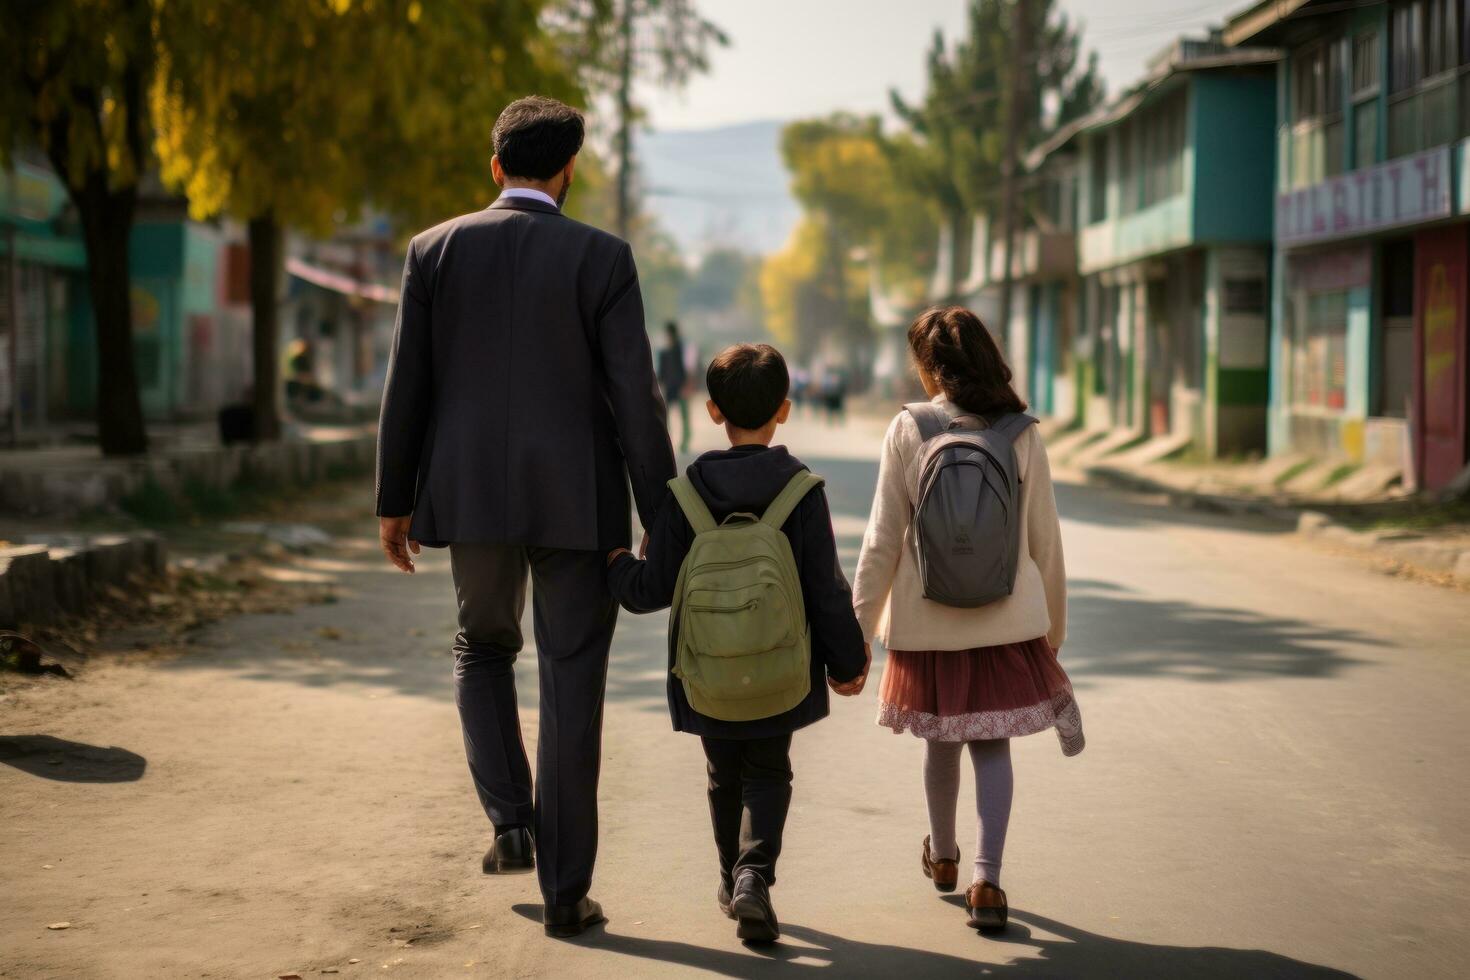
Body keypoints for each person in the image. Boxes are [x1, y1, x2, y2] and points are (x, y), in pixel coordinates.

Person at [375, 95, 676, 939]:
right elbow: (635, 399)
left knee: (482, 648)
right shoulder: (603, 258)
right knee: (572, 680)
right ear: (569, 170)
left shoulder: (433, 251)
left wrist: (394, 501)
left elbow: (410, 386)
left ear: (495, 164)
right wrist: (662, 510)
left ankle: (510, 821)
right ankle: (564, 893)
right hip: (581, 504)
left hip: (470, 498)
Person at [605, 343, 870, 944]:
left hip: (707, 673)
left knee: (724, 774)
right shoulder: (801, 490)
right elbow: (824, 588)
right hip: (781, 670)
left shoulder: (687, 492)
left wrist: (616, 565)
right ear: (785, 408)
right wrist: (848, 661)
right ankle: (755, 876)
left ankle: (731, 878)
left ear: (712, 411)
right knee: (769, 771)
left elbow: (652, 589)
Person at [851, 305, 1083, 933]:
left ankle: (945, 856)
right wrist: (1051, 630)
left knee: (941, 741)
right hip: (1007, 621)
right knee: (991, 744)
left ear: (930, 367)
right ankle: (988, 879)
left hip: (927, 623)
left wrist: (858, 630)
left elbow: (882, 541)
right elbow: (1046, 542)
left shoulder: (909, 429)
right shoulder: (1019, 431)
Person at [657, 320, 692, 453]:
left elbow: (687, 368)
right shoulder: (665, 351)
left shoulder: (679, 349)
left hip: (679, 386)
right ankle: (670, 442)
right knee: (670, 416)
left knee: (681, 416)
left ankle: (684, 442)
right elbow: (662, 373)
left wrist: (687, 385)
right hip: (672, 387)